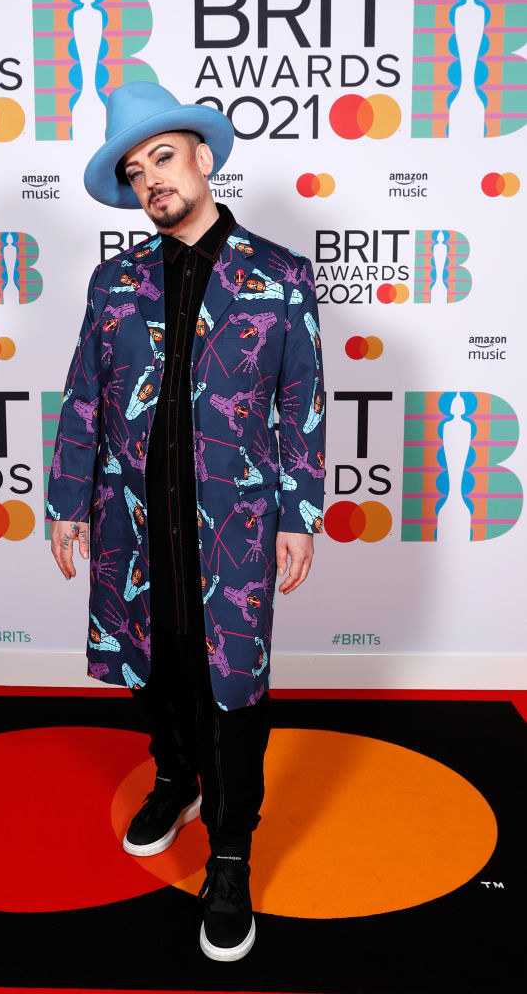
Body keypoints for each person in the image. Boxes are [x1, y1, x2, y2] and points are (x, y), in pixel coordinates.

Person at [48, 82, 325, 961]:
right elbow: (86, 395)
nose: (150, 181)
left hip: (232, 522)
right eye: (134, 173)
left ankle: (232, 854)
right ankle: (173, 777)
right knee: (150, 655)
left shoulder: (278, 276)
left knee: (232, 686)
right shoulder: (114, 279)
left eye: (161, 158)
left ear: (203, 157)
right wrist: (64, 499)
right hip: (130, 517)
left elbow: (301, 401)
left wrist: (299, 511)